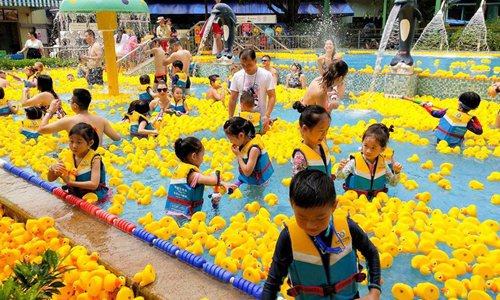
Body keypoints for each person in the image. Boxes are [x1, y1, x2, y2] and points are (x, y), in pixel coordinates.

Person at [262, 169, 381, 300]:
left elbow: (371, 253)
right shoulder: (288, 238)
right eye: (301, 217)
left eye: (320, 218)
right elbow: (272, 283)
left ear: (334, 206)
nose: (310, 225)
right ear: (292, 204)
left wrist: (374, 291)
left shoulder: (348, 227)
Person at [165, 137, 236, 218]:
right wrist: (213, 173)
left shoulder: (180, 170)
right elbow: (214, 180)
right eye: (202, 155)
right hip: (186, 216)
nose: (202, 159)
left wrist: (224, 184)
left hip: (172, 212)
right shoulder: (194, 176)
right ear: (194, 156)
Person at [336, 123, 402, 199]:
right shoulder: (354, 162)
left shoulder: (383, 163)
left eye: (373, 148)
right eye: (365, 145)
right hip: (356, 200)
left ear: (382, 149)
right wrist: (340, 169)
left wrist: (397, 172)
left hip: (376, 200)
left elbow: (393, 183)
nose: (368, 151)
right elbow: (339, 178)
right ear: (362, 142)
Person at [47, 123, 110, 202]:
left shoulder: (95, 159)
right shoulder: (68, 157)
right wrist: (52, 168)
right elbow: (51, 179)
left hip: (95, 198)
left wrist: (70, 182)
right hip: (75, 195)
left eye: (79, 142)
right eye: (71, 141)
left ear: (90, 143)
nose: (74, 146)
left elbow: (94, 185)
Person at [38, 88, 121, 145]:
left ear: (75, 106)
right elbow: (117, 139)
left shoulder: (68, 121)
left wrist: (50, 111)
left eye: (70, 101)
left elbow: (41, 129)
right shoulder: (102, 121)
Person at [229, 49, 276, 134]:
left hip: (260, 118)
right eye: (243, 65)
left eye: (249, 65)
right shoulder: (237, 76)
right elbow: (232, 98)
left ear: (255, 61)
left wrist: (267, 115)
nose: (246, 68)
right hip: (242, 118)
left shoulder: (266, 75)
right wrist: (230, 118)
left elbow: (272, 96)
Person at [224, 117, 274, 186]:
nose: (230, 142)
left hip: (260, 183)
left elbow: (247, 172)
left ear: (241, 135)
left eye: (231, 139)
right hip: (252, 179)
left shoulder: (254, 149)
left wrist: (238, 155)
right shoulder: (246, 142)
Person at [291, 103, 332, 177]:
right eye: (321, 131)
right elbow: (297, 184)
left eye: (327, 129)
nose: (324, 134)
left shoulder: (322, 146)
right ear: (305, 129)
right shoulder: (300, 157)